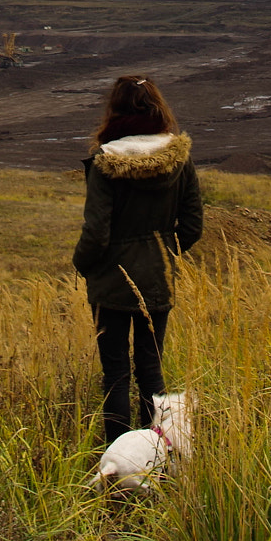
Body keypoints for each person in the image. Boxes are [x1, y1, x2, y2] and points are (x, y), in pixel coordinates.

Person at [72, 74, 203, 446]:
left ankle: (117, 461)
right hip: (158, 279)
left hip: (111, 283)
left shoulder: (104, 161)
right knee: (151, 370)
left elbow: (97, 232)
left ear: (114, 108)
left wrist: (83, 264)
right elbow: (192, 225)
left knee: (115, 374)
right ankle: (157, 457)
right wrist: (163, 254)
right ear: (156, 107)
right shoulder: (179, 157)